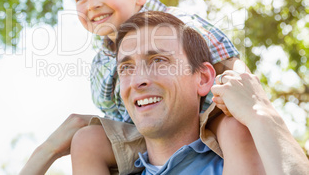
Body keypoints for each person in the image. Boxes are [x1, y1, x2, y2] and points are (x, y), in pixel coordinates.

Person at [67, 0, 263, 174]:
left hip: (205, 118)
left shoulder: (175, 24)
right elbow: (112, 115)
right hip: (145, 128)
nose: (92, 4)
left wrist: (249, 101)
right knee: (87, 141)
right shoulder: (100, 63)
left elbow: (229, 60)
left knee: (235, 129)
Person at [111, 11, 309, 174]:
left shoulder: (245, 162)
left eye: (158, 61)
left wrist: (260, 111)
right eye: (126, 68)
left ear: (203, 78)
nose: (137, 81)